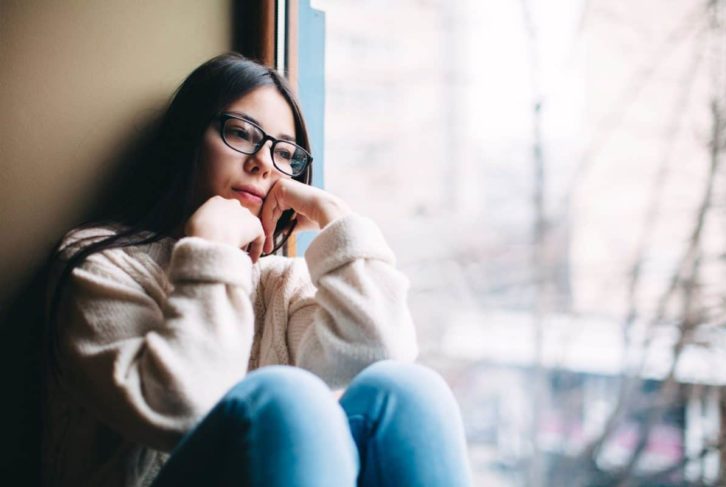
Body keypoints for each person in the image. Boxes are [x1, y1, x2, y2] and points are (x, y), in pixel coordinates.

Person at [42, 52, 472, 487]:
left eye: (285, 153)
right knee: (289, 395)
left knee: (411, 390)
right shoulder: (98, 260)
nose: (264, 163)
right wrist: (211, 250)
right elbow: (178, 411)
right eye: (242, 134)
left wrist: (335, 218)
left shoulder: (280, 281)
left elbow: (376, 354)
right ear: (189, 136)